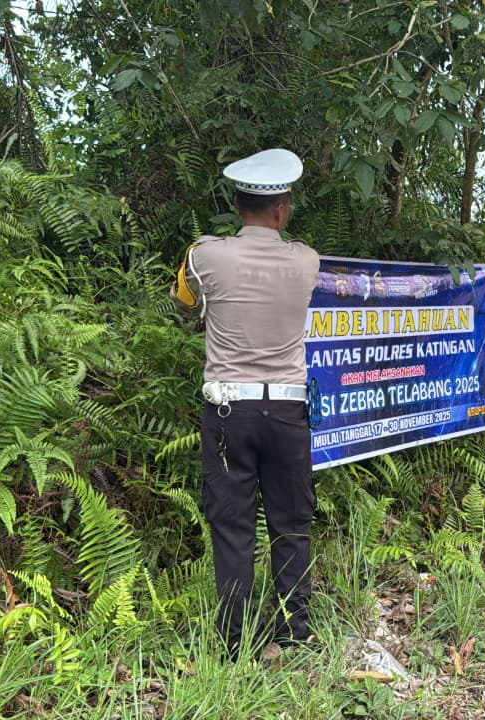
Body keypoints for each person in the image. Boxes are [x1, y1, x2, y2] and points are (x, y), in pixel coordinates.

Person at [170, 148, 320, 658]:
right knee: (290, 523)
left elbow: (185, 304)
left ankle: (236, 646)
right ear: (283, 209)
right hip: (286, 412)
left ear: (236, 204)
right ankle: (293, 634)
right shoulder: (306, 260)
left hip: (229, 413)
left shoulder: (204, 255)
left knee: (233, 527)